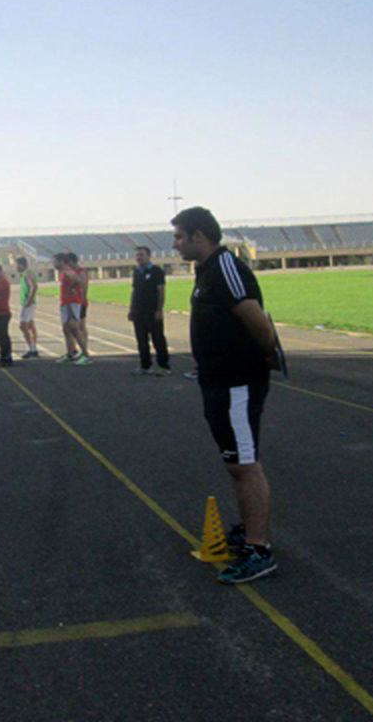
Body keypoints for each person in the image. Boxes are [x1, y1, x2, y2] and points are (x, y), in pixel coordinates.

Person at [172, 206, 281, 584]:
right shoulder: (207, 270)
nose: (175, 244)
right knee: (236, 463)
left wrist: (263, 358)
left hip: (237, 384)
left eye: (179, 236)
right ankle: (251, 533)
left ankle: (259, 549)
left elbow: (256, 319)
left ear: (198, 236)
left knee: (244, 464)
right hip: (219, 381)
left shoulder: (225, 267)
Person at [128, 246, 170, 376]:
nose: (139, 257)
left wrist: (159, 310)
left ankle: (164, 366)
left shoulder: (157, 271)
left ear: (149, 255)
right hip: (138, 311)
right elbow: (134, 291)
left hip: (152, 310)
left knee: (158, 339)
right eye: (137, 255)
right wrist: (131, 309)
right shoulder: (136, 271)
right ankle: (145, 366)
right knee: (141, 340)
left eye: (141, 255)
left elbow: (161, 292)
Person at [56, 253, 92, 366]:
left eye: (55, 261)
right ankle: (70, 353)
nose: (53, 264)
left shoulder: (68, 272)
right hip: (65, 303)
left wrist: (75, 291)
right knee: (66, 329)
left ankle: (86, 355)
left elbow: (80, 281)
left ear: (62, 261)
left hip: (72, 303)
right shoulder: (63, 272)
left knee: (75, 328)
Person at [15, 256, 39, 358]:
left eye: (16, 265)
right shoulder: (25, 273)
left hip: (27, 303)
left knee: (22, 325)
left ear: (21, 264)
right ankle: (33, 348)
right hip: (28, 302)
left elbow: (34, 286)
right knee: (30, 326)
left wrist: (29, 300)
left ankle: (32, 349)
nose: (15, 267)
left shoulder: (27, 273)